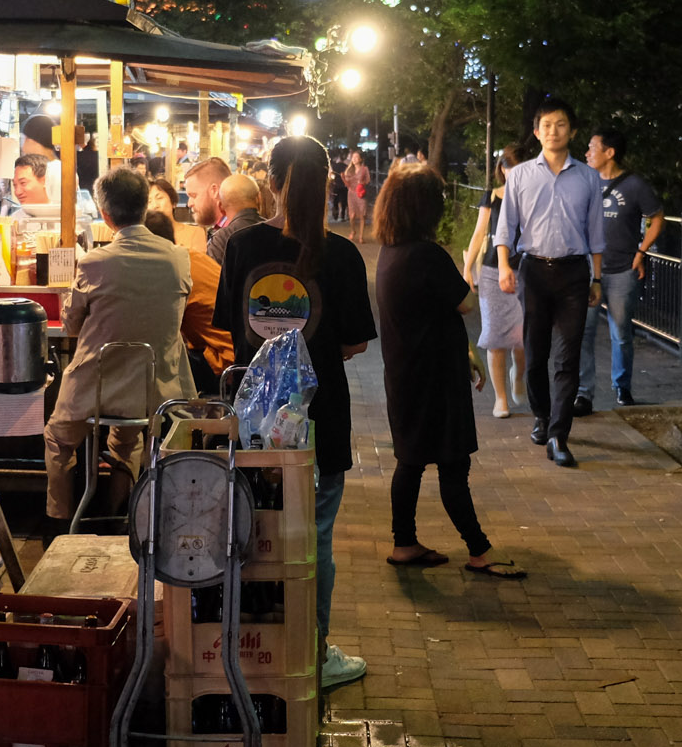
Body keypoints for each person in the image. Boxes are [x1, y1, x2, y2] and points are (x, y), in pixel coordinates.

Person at [215, 136, 376, 689]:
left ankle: (254, 650)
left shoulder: (240, 246)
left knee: (251, 531)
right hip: (318, 413)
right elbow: (355, 343)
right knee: (315, 538)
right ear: (328, 182)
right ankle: (313, 652)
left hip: (253, 416)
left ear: (273, 181)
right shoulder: (344, 254)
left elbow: (230, 323)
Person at [374, 165, 524, 578]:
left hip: (406, 373)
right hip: (434, 379)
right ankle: (479, 549)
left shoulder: (391, 252)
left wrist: (465, 353)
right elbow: (465, 303)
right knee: (452, 462)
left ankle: (404, 541)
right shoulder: (426, 255)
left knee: (411, 460)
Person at [45, 170, 194, 525]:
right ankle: (118, 512)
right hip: (154, 391)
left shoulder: (95, 262)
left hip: (94, 389)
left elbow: (71, 324)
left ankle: (59, 522)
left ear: (105, 215)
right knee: (127, 440)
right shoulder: (177, 258)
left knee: (58, 439)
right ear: (145, 207)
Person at [495, 97, 604, 468]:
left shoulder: (589, 178)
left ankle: (559, 435)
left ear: (571, 131)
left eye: (560, 125)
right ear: (537, 132)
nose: (553, 131)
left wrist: (597, 277)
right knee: (535, 353)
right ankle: (542, 415)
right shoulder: (521, 175)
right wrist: (504, 267)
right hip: (534, 271)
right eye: (546, 125)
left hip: (575, 272)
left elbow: (596, 232)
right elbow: (505, 226)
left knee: (567, 356)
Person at [576, 126, 665, 411]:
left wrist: (641, 252)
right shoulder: (585, 182)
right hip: (588, 270)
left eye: (592, 147)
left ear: (609, 153)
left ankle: (622, 387)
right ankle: (583, 392)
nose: (587, 153)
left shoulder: (635, 185)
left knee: (621, 333)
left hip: (622, 270)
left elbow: (657, 218)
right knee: (583, 332)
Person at [461, 144, 527, 419]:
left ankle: (518, 374)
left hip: (526, 271)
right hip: (491, 272)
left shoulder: (535, 196)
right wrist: (467, 270)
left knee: (523, 338)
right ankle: (500, 399)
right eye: (507, 166)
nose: (511, 171)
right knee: (495, 336)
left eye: (517, 166)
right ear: (501, 169)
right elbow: (479, 233)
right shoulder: (493, 197)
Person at [142, 210, 235, 393]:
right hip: (237, 355)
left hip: (224, 363)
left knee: (148, 363)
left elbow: (159, 327)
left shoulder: (172, 270)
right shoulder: (191, 257)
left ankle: (164, 418)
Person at [208, 172, 263, 264]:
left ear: (220, 206)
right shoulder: (277, 232)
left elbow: (211, 276)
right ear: (259, 198)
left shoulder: (220, 240)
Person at [341, 149, 372, 241]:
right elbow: (347, 185)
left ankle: (361, 236)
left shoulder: (364, 169)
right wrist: (343, 178)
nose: (354, 159)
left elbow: (368, 180)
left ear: (360, 159)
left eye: (356, 157)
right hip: (351, 194)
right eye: (353, 157)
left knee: (362, 215)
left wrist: (362, 182)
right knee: (352, 215)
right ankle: (353, 230)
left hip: (361, 194)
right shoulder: (349, 170)